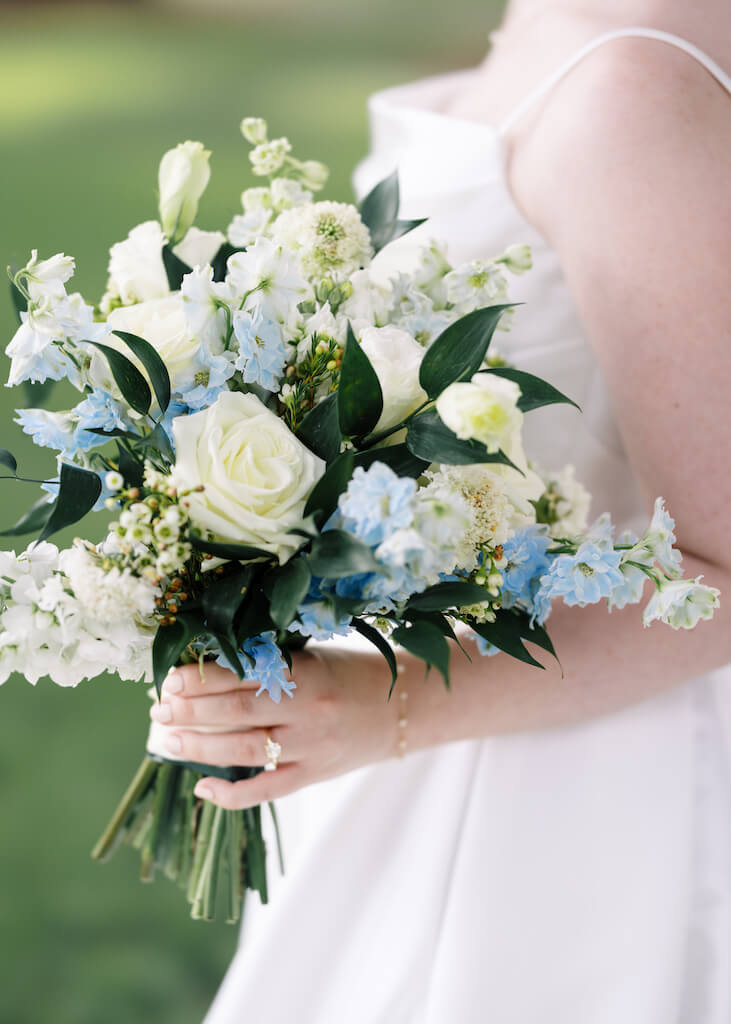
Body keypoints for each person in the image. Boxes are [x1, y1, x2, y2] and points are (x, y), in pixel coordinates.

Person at [151, 3, 731, 1020]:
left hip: (574, 792)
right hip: (456, 717)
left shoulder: (631, 90)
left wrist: (394, 703)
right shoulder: (559, 26)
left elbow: (721, 567)